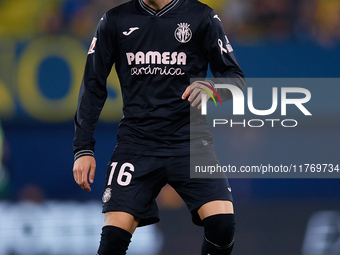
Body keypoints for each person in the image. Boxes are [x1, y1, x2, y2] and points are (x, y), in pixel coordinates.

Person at [72, 0, 245, 254]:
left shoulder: (201, 17)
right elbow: (93, 85)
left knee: (222, 224)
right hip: (136, 145)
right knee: (112, 242)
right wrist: (83, 148)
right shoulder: (114, 21)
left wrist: (212, 88)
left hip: (189, 142)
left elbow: (236, 80)